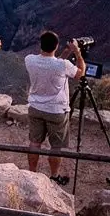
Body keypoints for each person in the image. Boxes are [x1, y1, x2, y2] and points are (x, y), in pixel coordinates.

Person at [25, 32, 84, 185]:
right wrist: (77, 52)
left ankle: (32, 174)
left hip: (35, 108)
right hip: (56, 111)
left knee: (34, 142)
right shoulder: (62, 66)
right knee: (56, 146)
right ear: (56, 46)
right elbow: (80, 73)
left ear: (40, 45)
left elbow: (51, 63)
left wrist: (66, 52)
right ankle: (54, 176)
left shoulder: (29, 60)